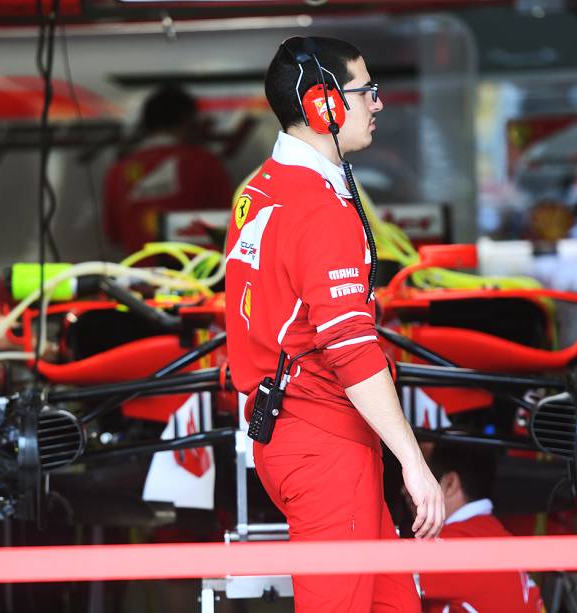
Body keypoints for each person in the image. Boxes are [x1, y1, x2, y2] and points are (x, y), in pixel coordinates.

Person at [224, 36, 443, 612]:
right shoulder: (320, 208)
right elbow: (350, 347)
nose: (377, 103)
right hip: (324, 449)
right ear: (324, 105)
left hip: (299, 438)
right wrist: (414, 464)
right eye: (366, 91)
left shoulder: (260, 189)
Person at [102, 85, 233, 255]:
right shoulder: (204, 162)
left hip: (139, 275)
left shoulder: (117, 171)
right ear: (188, 119)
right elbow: (232, 223)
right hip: (197, 276)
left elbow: (113, 235)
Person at [415, 444, 545, 613]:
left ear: (450, 484)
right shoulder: (497, 537)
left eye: (420, 477)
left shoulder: (453, 548)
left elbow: (381, 574)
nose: (406, 489)